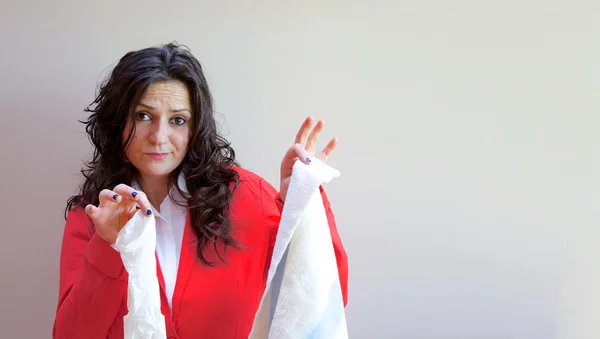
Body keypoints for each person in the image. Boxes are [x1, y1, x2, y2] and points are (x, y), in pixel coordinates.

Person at [52, 42, 348, 339]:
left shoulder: (248, 197)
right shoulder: (92, 216)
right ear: (117, 121)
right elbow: (71, 334)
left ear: (196, 129)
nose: (159, 137)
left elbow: (320, 302)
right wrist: (109, 246)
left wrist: (300, 205)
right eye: (143, 115)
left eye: (178, 120)